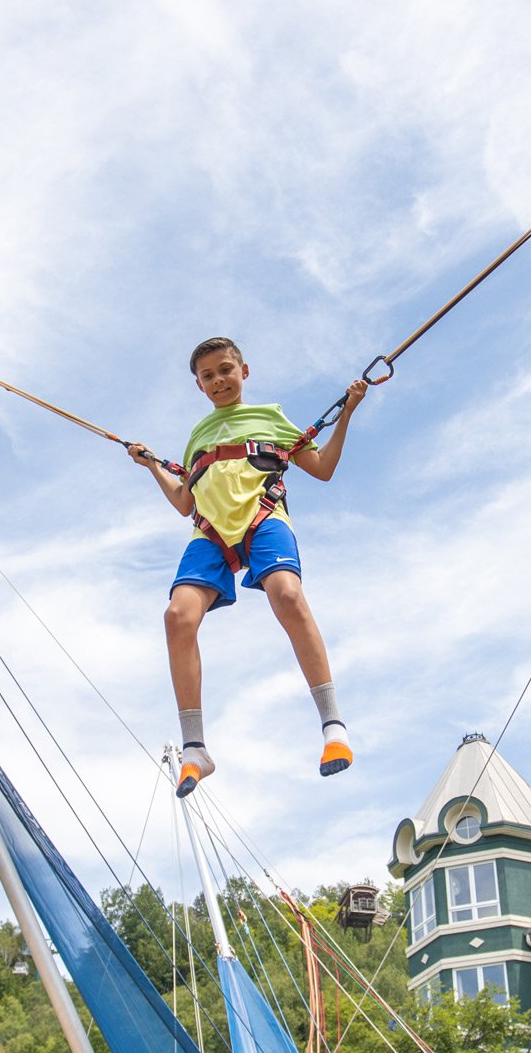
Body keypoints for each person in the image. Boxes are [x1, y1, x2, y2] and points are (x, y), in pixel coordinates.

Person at [127, 338, 364, 796]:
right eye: (208, 375)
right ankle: (195, 748)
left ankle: (333, 725)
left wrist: (348, 411)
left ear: (244, 371)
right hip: (209, 532)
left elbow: (322, 468)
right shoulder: (197, 436)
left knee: (287, 595)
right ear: (199, 385)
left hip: (263, 518)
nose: (218, 380)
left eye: (225, 369)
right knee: (177, 617)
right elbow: (184, 502)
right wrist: (153, 465)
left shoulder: (270, 418)